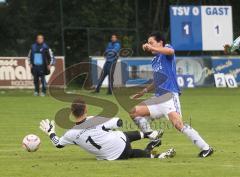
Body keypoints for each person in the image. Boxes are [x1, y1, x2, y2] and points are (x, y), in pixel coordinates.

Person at [129, 32, 213, 158]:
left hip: (169, 96)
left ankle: (206, 147)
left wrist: (151, 47)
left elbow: (170, 52)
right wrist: (144, 91)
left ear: (160, 43)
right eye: (148, 43)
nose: (149, 45)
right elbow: (157, 80)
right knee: (134, 112)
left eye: (151, 42)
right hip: (158, 98)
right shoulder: (154, 60)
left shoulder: (167, 49)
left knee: (179, 125)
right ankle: (154, 138)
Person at [39, 97, 176, 160]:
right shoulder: (94, 119)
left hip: (113, 156)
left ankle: (156, 153)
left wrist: (51, 132)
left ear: (72, 113)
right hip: (121, 143)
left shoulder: (70, 134)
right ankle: (149, 134)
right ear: (86, 108)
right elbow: (119, 123)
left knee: (131, 153)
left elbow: (58, 144)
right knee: (121, 135)